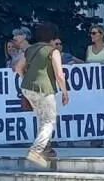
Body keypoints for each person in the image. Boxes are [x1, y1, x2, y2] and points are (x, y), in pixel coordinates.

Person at [14, 22, 69, 167]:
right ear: (53, 36)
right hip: (44, 89)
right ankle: (36, 150)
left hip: (27, 87)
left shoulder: (30, 49)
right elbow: (59, 74)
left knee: (42, 118)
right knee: (49, 121)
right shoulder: (53, 51)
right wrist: (64, 92)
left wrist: (27, 77)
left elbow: (18, 67)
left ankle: (45, 148)